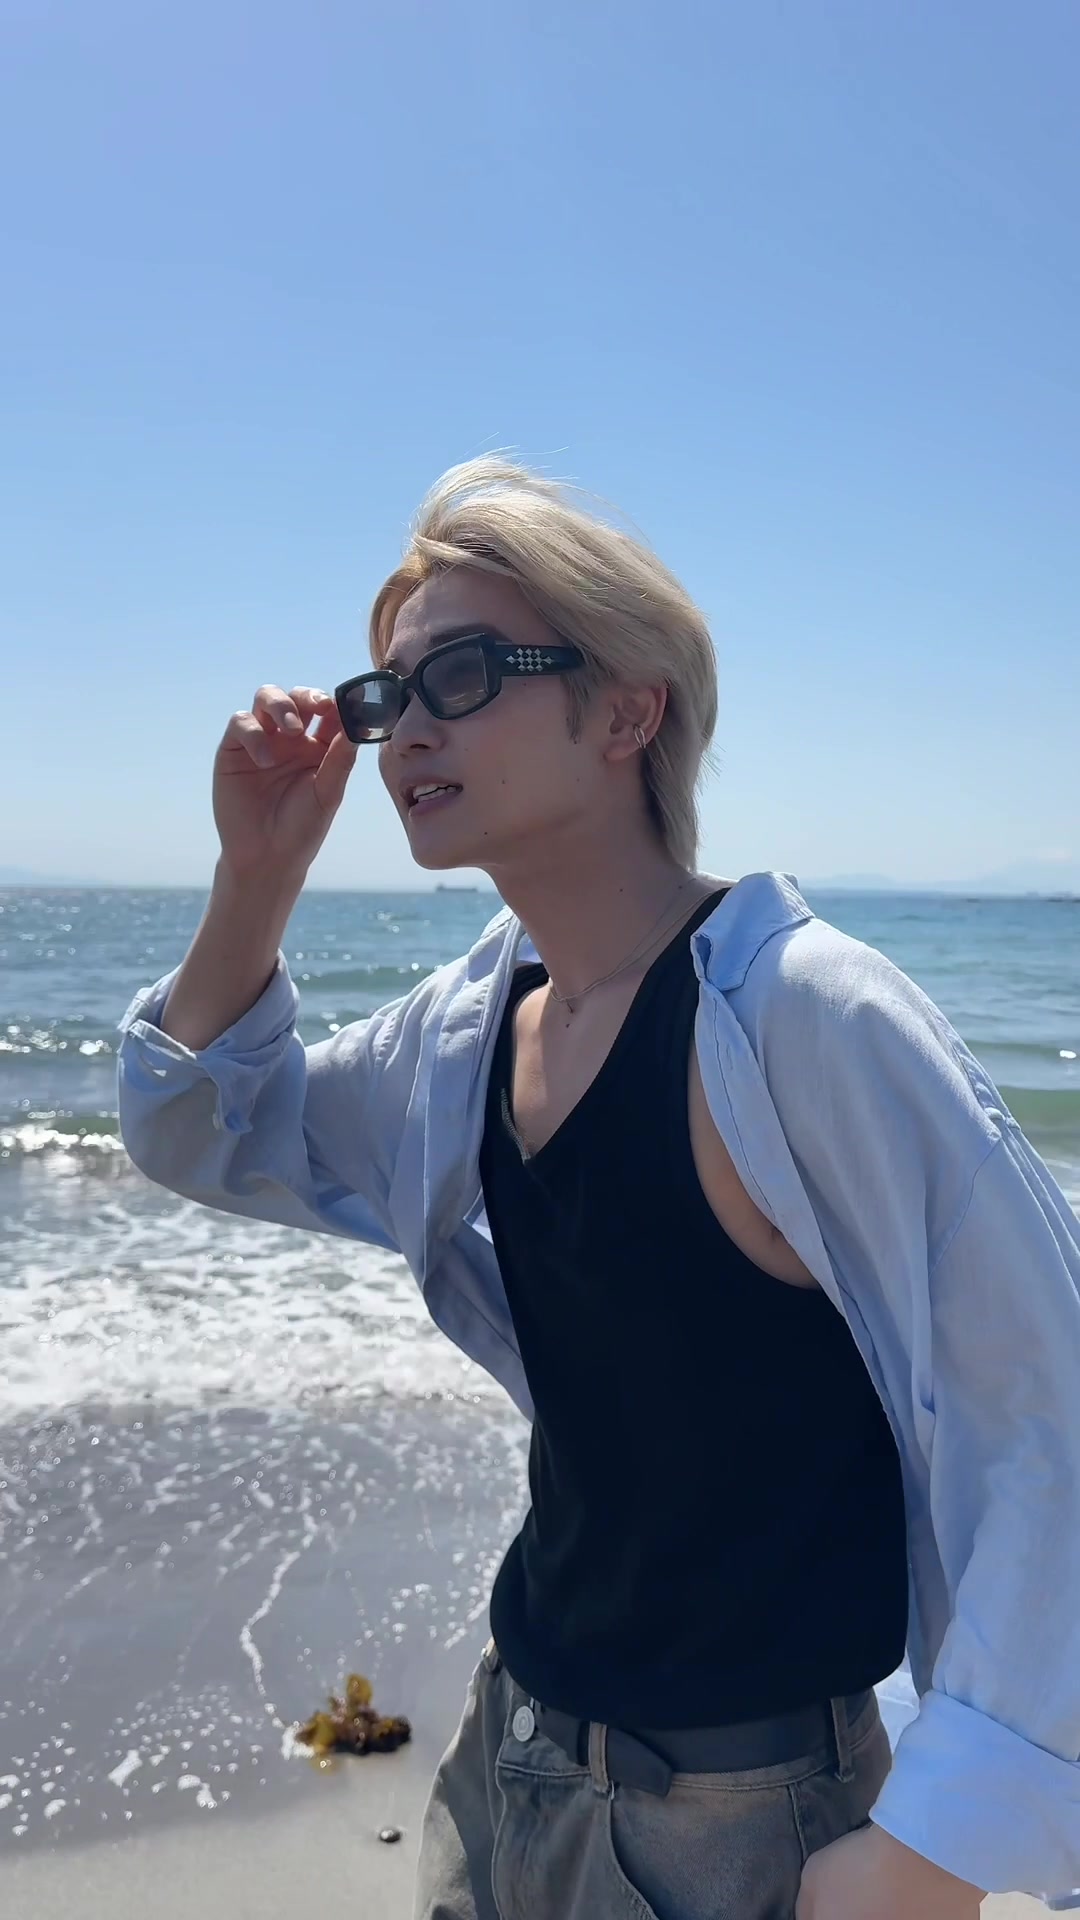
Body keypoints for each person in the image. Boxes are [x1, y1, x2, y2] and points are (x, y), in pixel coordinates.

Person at [118, 458, 1080, 1920]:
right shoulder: (470, 1032)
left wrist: (932, 1856)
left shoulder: (801, 1017)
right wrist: (256, 878)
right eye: (387, 695)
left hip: (739, 1818)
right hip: (508, 1759)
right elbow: (204, 1130)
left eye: (460, 676)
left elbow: (1044, 1406)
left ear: (628, 712)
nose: (405, 730)